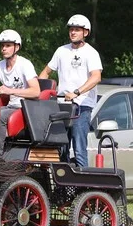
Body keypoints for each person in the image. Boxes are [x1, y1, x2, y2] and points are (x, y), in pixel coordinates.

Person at [39, 14, 102, 167]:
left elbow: (96, 77)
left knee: (79, 148)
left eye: (77, 30)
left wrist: (76, 92)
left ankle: (83, 186)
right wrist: (41, 93)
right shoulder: (61, 51)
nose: (73, 32)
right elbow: (45, 72)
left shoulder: (91, 53)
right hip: (61, 105)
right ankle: (62, 186)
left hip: (82, 106)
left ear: (85, 33)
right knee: (60, 148)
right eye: (71, 29)